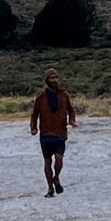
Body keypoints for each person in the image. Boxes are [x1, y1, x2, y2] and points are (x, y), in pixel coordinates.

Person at [28, 67, 78, 196]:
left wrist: (72, 120)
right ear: (47, 80)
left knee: (59, 159)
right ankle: (50, 188)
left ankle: (56, 178)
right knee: (47, 161)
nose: (54, 80)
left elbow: (71, 110)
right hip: (45, 134)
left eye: (56, 77)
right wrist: (33, 127)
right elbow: (34, 114)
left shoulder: (64, 95)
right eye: (51, 78)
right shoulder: (41, 97)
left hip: (60, 133)